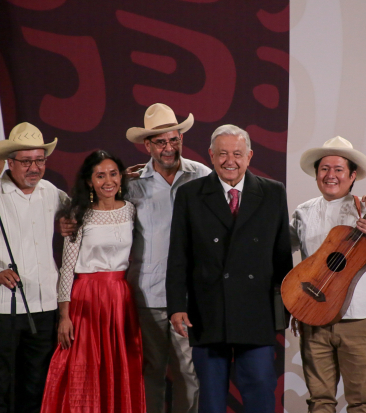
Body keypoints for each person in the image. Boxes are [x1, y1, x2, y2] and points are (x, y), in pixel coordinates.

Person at [166, 124, 293, 413]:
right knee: (210, 398)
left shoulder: (273, 193)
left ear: (249, 156)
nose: (230, 161)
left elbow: (282, 256)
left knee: (261, 390)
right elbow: (178, 256)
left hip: (257, 310)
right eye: (222, 154)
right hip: (207, 310)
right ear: (211, 155)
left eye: (237, 153)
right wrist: (176, 305)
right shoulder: (190, 194)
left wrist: (287, 307)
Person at [290, 136, 366, 413]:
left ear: (352, 176)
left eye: (338, 169)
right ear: (317, 174)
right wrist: (294, 302)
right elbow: (280, 255)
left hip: (360, 321)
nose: (331, 175)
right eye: (324, 169)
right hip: (314, 317)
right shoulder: (303, 213)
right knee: (319, 401)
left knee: (361, 402)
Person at [0, 122, 66, 413]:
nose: (34, 168)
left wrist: (71, 219)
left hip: (44, 308)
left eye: (40, 160)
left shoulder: (51, 192)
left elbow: (78, 212)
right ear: (10, 162)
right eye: (26, 161)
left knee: (36, 387)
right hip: (2, 310)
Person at [40, 150, 145, 413]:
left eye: (113, 174)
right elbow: (67, 268)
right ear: (89, 181)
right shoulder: (78, 214)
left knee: (119, 364)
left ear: (121, 177)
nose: (107, 181)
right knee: (85, 366)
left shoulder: (131, 210)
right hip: (86, 299)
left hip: (120, 298)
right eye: (100, 176)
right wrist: (64, 315)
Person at [125, 103, 209, 413]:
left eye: (174, 140)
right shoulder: (130, 185)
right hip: (147, 295)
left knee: (190, 375)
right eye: (161, 142)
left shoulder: (202, 177)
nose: (169, 147)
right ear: (147, 145)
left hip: (190, 298)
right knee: (151, 373)